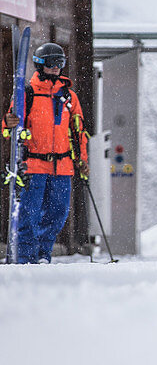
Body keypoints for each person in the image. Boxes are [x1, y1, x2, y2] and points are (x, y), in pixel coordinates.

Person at [4, 42, 88, 264]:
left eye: (60, 63)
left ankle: (42, 254)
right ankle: (24, 258)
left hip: (62, 165)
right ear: (40, 65)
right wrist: (8, 123)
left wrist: (82, 160)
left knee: (58, 213)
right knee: (29, 214)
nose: (56, 68)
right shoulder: (28, 93)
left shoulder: (69, 96)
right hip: (33, 165)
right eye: (52, 63)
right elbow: (9, 125)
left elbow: (78, 131)